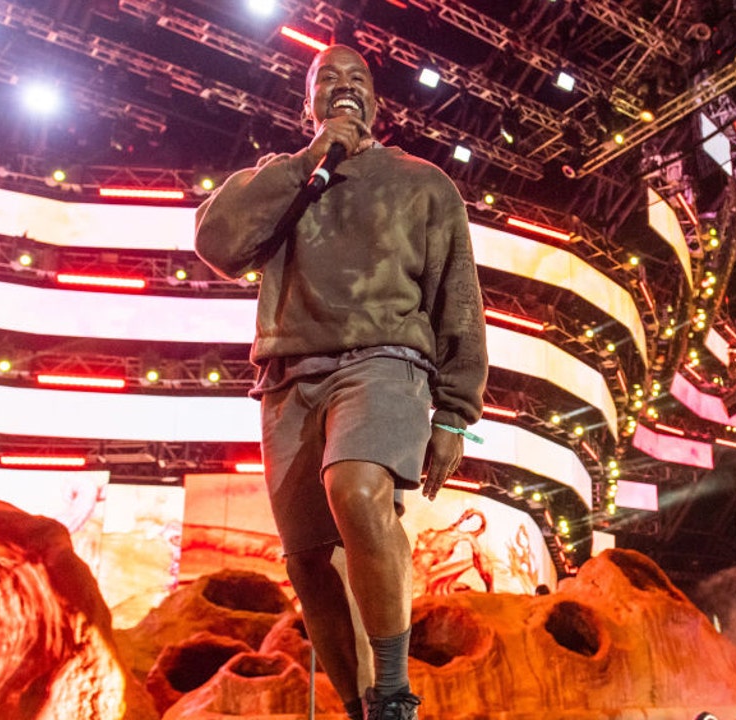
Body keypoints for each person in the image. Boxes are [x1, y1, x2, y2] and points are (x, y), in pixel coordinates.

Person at [194, 44, 488, 720]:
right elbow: (216, 242)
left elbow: (459, 302)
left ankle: (393, 694)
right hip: (287, 379)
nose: (344, 84)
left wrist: (453, 413)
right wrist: (306, 163)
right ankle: (363, 711)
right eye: (327, 78)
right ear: (310, 103)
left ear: (376, 102)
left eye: (357, 78)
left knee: (355, 488)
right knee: (307, 563)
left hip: (383, 360)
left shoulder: (423, 183)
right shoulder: (285, 179)